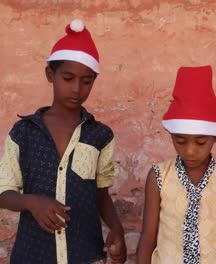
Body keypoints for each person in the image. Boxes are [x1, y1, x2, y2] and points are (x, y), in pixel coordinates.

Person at [0, 19, 126, 263]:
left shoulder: (100, 135)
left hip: (86, 253)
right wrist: (32, 202)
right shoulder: (23, 133)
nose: (77, 88)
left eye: (86, 81)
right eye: (68, 78)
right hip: (33, 254)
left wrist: (117, 229)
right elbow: (3, 193)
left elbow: (101, 194)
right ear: (50, 74)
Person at [136, 65, 216, 264]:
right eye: (180, 141)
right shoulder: (159, 176)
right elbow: (147, 238)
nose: (190, 150)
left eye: (200, 142)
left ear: (215, 137)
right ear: (171, 136)